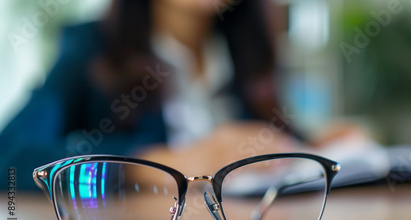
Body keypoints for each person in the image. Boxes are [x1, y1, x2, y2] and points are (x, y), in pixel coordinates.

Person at [0, 0, 303, 190]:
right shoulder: (92, 49)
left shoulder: (243, 54)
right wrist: (150, 166)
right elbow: (8, 157)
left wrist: (313, 145)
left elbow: (265, 141)